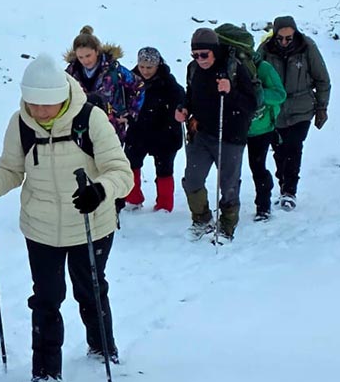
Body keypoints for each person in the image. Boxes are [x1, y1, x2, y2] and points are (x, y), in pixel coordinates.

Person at [0, 54, 133, 382]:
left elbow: (121, 172)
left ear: (63, 97)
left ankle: (102, 348)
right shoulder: (20, 123)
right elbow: (12, 170)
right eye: (33, 104)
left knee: (89, 289)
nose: (40, 112)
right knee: (46, 297)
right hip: (41, 226)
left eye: (47, 104)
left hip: (91, 223)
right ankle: (45, 371)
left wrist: (100, 191)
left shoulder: (90, 120)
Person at [175, 28, 255, 242]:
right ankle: (201, 218)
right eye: (195, 55)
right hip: (201, 134)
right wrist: (183, 107)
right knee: (192, 180)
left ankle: (227, 224)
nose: (199, 59)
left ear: (214, 51)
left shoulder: (233, 69)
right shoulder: (193, 69)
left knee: (228, 184)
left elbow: (251, 103)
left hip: (230, 136)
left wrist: (231, 91)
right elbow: (191, 95)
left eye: (204, 55)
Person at [256, 15, 331, 211]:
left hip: (302, 107)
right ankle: (282, 183)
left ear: (295, 34)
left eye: (288, 38)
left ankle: (290, 191)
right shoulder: (265, 50)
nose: (284, 42)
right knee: (279, 150)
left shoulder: (307, 48)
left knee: (294, 147)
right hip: (275, 110)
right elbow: (254, 76)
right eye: (280, 38)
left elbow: (322, 79)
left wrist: (322, 107)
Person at [123, 47, 185, 212]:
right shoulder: (131, 80)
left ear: (158, 65)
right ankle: (133, 200)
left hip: (165, 133)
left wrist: (178, 114)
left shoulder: (169, 83)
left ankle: (164, 206)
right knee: (130, 166)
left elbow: (181, 101)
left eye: (149, 67)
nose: (145, 71)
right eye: (142, 66)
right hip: (138, 132)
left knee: (164, 170)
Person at [64, 25, 144, 145]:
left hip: (111, 130)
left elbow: (138, 85)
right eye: (80, 57)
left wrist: (130, 115)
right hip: (81, 130)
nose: (85, 61)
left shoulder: (114, 70)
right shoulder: (71, 72)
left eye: (88, 55)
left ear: (97, 51)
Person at [240, 36, 287, 221]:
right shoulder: (227, 68)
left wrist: (258, 93)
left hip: (260, 128)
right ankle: (233, 207)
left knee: (257, 167)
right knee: (237, 170)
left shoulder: (263, 68)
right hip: (239, 126)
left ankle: (263, 206)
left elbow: (279, 94)